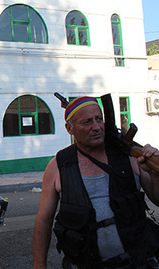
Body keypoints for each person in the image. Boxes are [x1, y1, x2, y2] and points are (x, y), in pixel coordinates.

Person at [33, 96, 159, 269]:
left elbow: (157, 198)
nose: (97, 127)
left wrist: (155, 175)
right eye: (87, 122)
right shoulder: (58, 166)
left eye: (99, 119)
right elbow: (44, 220)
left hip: (138, 262)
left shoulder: (129, 157)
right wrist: (39, 265)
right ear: (70, 129)